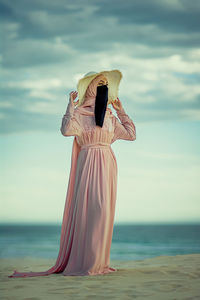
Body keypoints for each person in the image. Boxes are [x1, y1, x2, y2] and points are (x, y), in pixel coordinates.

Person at [8, 69, 136, 278]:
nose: (103, 86)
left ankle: (99, 263)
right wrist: (70, 105)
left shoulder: (110, 116)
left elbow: (131, 135)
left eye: (105, 83)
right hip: (88, 163)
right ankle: (87, 263)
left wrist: (122, 111)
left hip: (107, 163)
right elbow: (66, 130)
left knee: (103, 212)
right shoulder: (78, 113)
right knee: (91, 211)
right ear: (90, 86)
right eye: (99, 82)